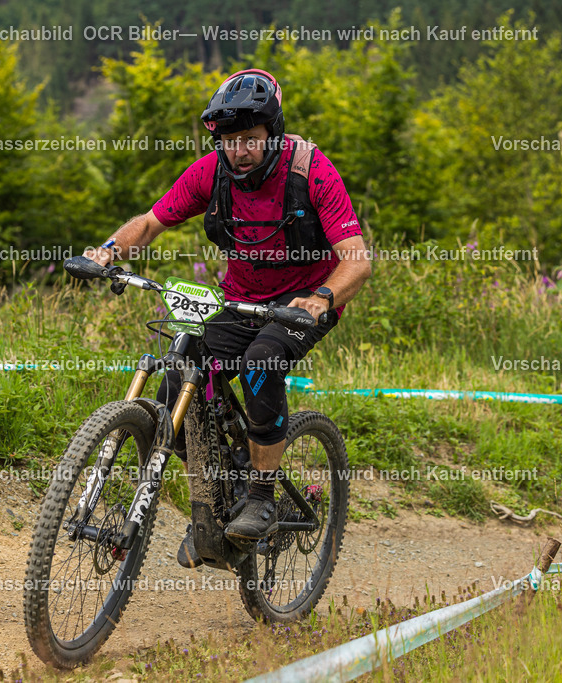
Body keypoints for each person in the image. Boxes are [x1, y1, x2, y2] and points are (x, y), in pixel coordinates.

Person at [87, 69, 371, 568]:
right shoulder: (210, 173)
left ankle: (261, 496)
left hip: (303, 302)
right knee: (175, 389)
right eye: (229, 141)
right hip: (239, 300)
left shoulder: (311, 171)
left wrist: (322, 298)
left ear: (273, 134)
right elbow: (151, 222)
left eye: (250, 140)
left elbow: (357, 260)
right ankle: (220, 495)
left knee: (263, 362)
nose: (238, 151)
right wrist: (108, 251)